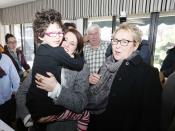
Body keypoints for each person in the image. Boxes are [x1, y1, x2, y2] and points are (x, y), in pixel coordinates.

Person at [87, 22, 162, 131]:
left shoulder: (148, 74)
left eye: (124, 42)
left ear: (135, 45)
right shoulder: (105, 65)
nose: (117, 45)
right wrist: (91, 82)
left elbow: (150, 120)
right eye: (115, 40)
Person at [16, 29, 90, 131]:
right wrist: (30, 117)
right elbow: (21, 92)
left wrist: (56, 89)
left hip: (61, 126)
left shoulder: (82, 69)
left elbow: (81, 103)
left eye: (72, 44)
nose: (66, 45)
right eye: (65, 40)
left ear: (76, 49)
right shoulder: (45, 59)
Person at [26, 9, 84, 124]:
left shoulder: (40, 50)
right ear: (41, 36)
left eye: (59, 32)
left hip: (34, 103)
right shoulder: (57, 51)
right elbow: (79, 64)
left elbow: (80, 103)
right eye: (52, 34)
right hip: (48, 107)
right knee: (85, 115)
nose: (58, 37)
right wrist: (80, 55)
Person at [0, 52, 20, 127]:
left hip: (7, 99)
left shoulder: (5, 58)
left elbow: (15, 77)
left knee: (8, 124)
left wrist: (16, 90)